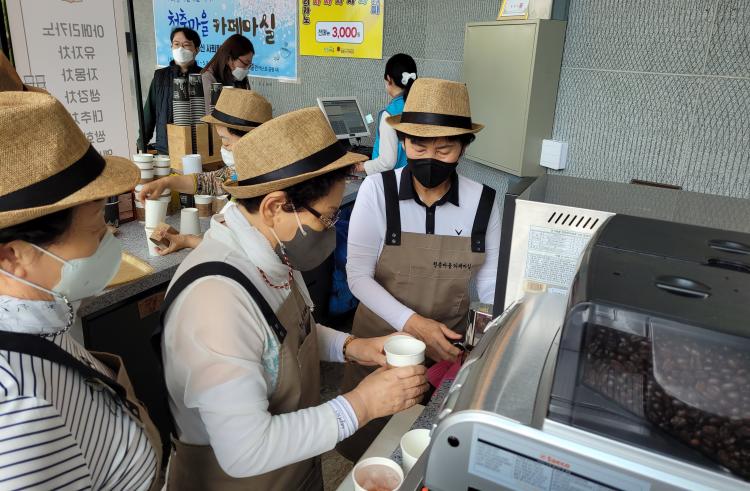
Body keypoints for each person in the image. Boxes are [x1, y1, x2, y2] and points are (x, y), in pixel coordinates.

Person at [155, 107, 428, 490]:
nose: (330, 228)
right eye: (327, 217)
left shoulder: (273, 251)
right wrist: (362, 405)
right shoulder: (215, 302)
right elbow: (246, 449)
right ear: (274, 206)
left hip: (295, 465)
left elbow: (285, 336)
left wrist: (352, 347)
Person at [0, 91, 162, 489]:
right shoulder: (20, 410)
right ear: (13, 256)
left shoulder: (43, 319)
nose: (110, 241)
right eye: (94, 229)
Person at [339, 78, 501, 460]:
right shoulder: (376, 191)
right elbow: (357, 276)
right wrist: (414, 325)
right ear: (403, 141)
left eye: (444, 149)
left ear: (463, 147)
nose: (430, 158)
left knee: (426, 451)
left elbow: (491, 288)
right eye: (418, 146)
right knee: (371, 455)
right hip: (381, 348)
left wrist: (485, 344)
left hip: (446, 350)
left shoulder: (483, 202)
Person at [138, 88, 272, 254]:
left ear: (252, 140)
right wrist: (166, 182)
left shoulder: (268, 189)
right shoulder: (239, 173)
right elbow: (208, 181)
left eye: (226, 141)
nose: (224, 147)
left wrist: (189, 240)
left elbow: (239, 249)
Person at [139, 27, 203, 155]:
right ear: (171, 47)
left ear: (196, 49)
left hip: (197, 148)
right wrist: (142, 142)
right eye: (176, 44)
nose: (180, 49)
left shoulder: (204, 76)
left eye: (186, 45)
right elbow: (149, 112)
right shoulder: (160, 76)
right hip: (166, 149)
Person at [355, 53, 417, 175]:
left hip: (394, 180)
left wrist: (362, 166)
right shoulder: (419, 105)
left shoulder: (390, 114)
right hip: (414, 178)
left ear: (389, 79)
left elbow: (387, 163)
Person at [201, 34, 254, 115]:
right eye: (245, 63)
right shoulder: (207, 79)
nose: (246, 69)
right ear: (229, 58)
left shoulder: (238, 78)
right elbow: (209, 116)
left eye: (249, 65)